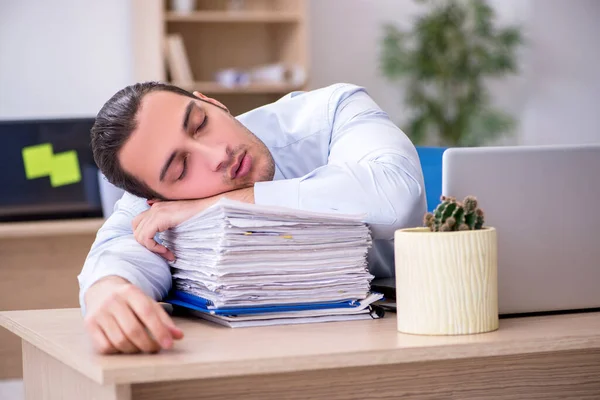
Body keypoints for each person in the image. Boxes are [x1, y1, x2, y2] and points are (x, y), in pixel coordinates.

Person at [78, 81, 427, 354]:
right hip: (281, 352)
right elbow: (121, 249)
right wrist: (108, 289)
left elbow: (398, 196)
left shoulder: (332, 110)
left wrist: (224, 203)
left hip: (419, 329)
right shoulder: (153, 198)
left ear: (214, 103)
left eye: (200, 124)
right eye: (182, 168)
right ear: (156, 199)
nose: (217, 154)